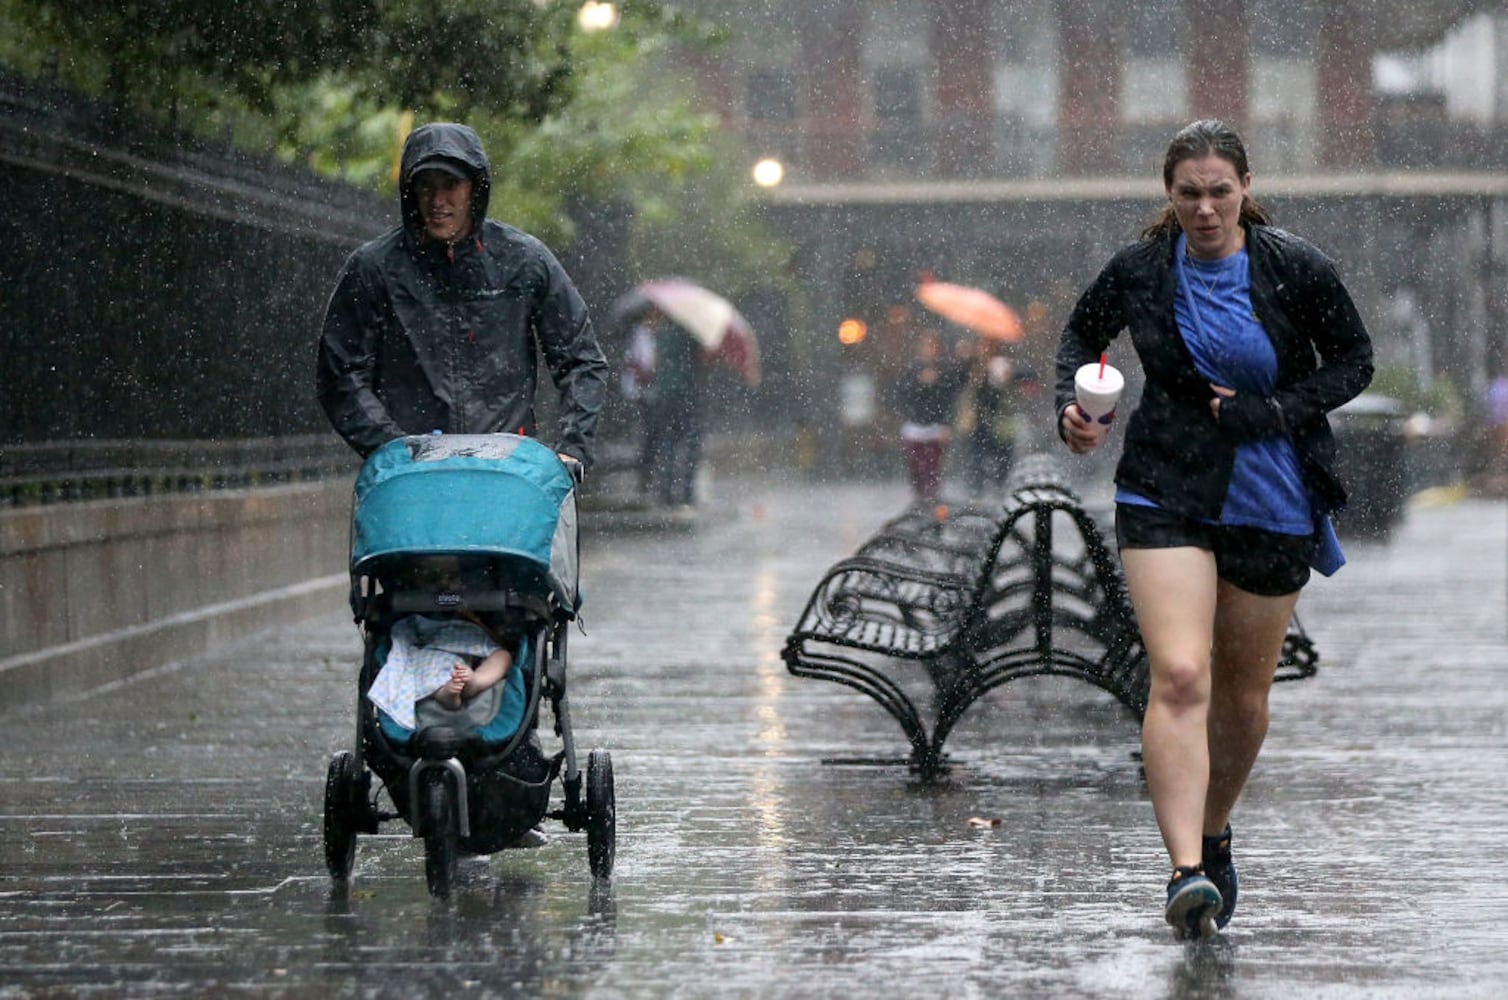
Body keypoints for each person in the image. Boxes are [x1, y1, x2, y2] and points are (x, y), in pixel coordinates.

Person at [1054, 120, 1373, 939]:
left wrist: (1274, 411)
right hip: (1165, 486)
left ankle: (1213, 829)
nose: (1203, 209)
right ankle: (1184, 871)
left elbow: (1352, 360)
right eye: (1188, 194)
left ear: (1244, 188)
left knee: (1242, 698)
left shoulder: (1292, 266)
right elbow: (1080, 336)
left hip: (1273, 492)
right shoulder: (1139, 269)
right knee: (1184, 676)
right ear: (1169, 194)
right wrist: (1076, 406)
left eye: (1218, 192)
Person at [316, 121, 608, 470]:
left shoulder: (524, 261)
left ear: (475, 189)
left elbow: (580, 357)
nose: (438, 201)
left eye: (451, 185)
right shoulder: (375, 268)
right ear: (411, 191)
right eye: (426, 187)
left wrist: (572, 447)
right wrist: (391, 447)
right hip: (410, 478)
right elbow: (340, 371)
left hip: (505, 473)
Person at [893, 329, 970, 503]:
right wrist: (919, 383)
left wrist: (946, 423)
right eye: (926, 345)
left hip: (936, 427)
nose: (930, 349)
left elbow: (951, 397)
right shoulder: (911, 370)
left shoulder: (945, 370)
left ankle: (932, 497)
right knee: (916, 466)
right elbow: (902, 395)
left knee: (933, 466)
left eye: (933, 346)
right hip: (915, 425)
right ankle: (919, 497)